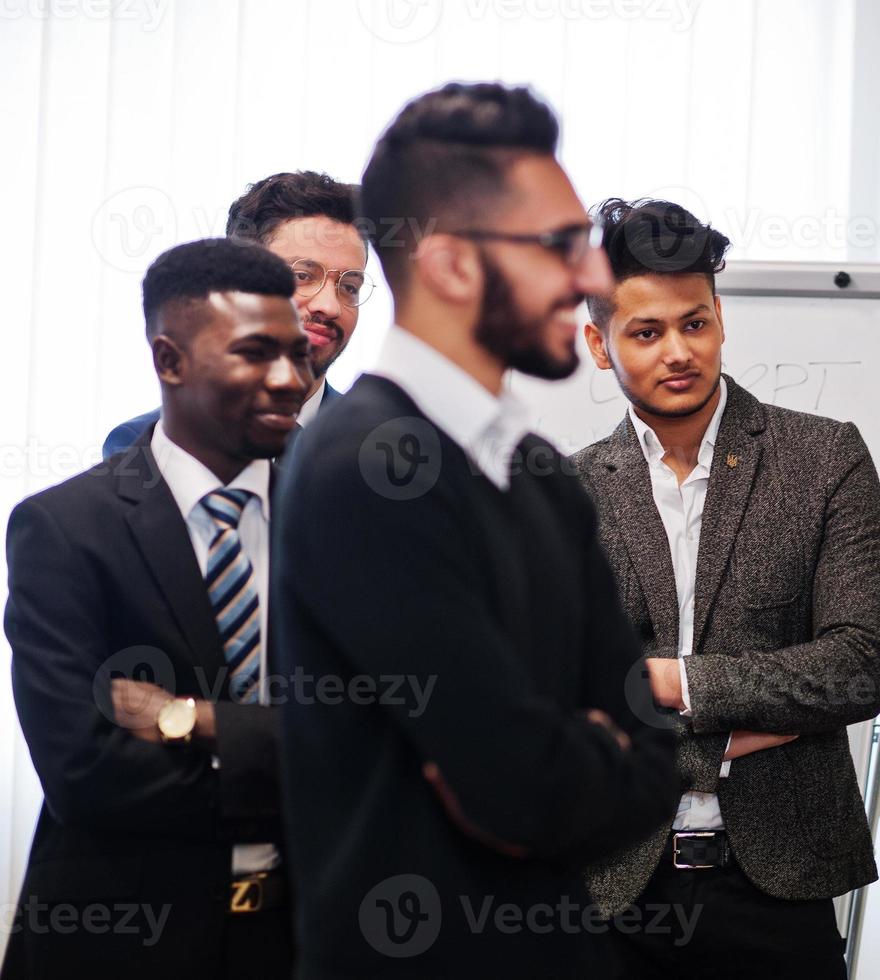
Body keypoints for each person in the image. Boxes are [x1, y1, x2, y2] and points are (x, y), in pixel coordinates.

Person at [274, 84, 679, 978]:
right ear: (453, 263)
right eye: (560, 246)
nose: (592, 281)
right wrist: (569, 750)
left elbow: (653, 754)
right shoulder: (367, 469)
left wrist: (556, 756)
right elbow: (518, 782)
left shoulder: (540, 473)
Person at [572, 197, 880, 979]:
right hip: (610, 888)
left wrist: (665, 683)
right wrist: (732, 734)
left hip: (781, 888)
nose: (677, 351)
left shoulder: (824, 460)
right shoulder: (562, 492)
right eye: (645, 333)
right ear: (598, 344)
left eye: (695, 323)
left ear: (719, 319)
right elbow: (556, 703)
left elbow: (854, 668)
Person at [3, 239, 311, 979]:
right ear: (169, 361)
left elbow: (389, 732)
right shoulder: (67, 527)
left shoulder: (345, 521)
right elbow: (87, 772)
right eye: (254, 353)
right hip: (122, 939)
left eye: (297, 354)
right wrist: (306, 765)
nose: (290, 380)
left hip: (306, 939)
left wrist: (188, 720)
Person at [104, 170, 368, 456]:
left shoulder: (378, 447)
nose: (329, 306)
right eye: (303, 276)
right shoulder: (147, 445)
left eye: (350, 287)